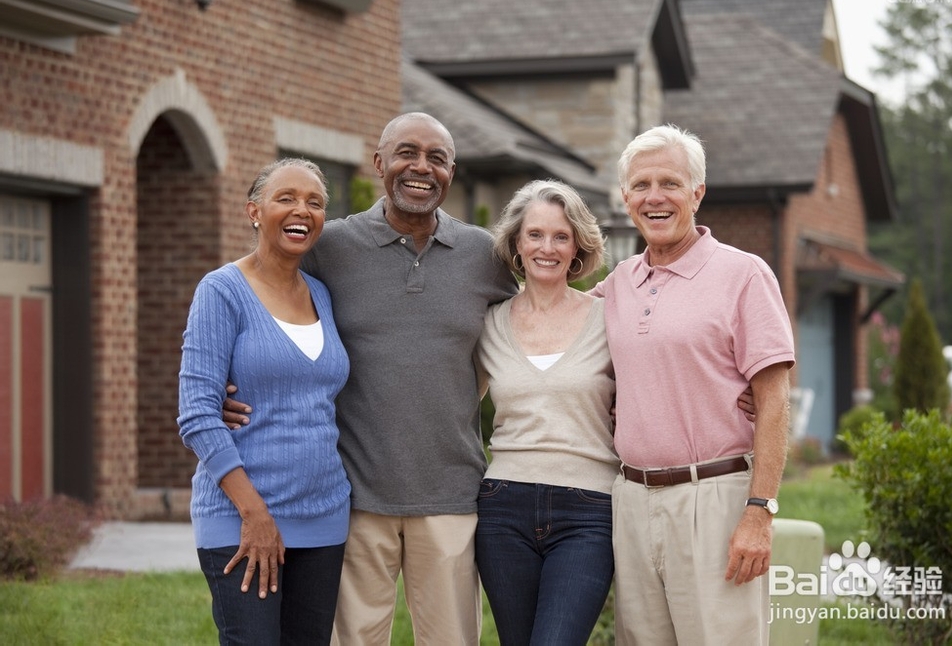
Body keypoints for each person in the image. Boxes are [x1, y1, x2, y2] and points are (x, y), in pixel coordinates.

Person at [223, 113, 520, 644]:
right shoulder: (328, 248)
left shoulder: (484, 255)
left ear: (453, 171)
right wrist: (231, 386)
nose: (421, 168)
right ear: (380, 163)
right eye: (407, 153)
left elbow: (537, 325)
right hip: (352, 495)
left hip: (451, 492)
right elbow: (261, 303)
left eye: (437, 158)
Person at [593, 124, 795, 645]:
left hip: (715, 500)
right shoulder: (616, 285)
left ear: (697, 194)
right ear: (625, 198)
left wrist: (760, 512)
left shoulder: (745, 275)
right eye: (640, 185)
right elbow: (551, 321)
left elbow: (774, 401)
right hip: (632, 501)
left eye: (670, 183)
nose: (654, 197)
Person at [177, 158, 352, 644]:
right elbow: (197, 415)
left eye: (315, 202)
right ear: (255, 211)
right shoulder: (221, 292)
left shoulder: (321, 293)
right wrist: (253, 514)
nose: (302, 210)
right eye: (287, 198)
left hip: (323, 516)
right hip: (242, 518)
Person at [474, 180, 617, 645]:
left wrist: (740, 397)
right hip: (502, 509)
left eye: (560, 235)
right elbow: (449, 400)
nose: (547, 248)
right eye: (535, 234)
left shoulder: (607, 319)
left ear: (577, 244)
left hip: (588, 512)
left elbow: (662, 379)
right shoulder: (489, 323)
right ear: (516, 242)